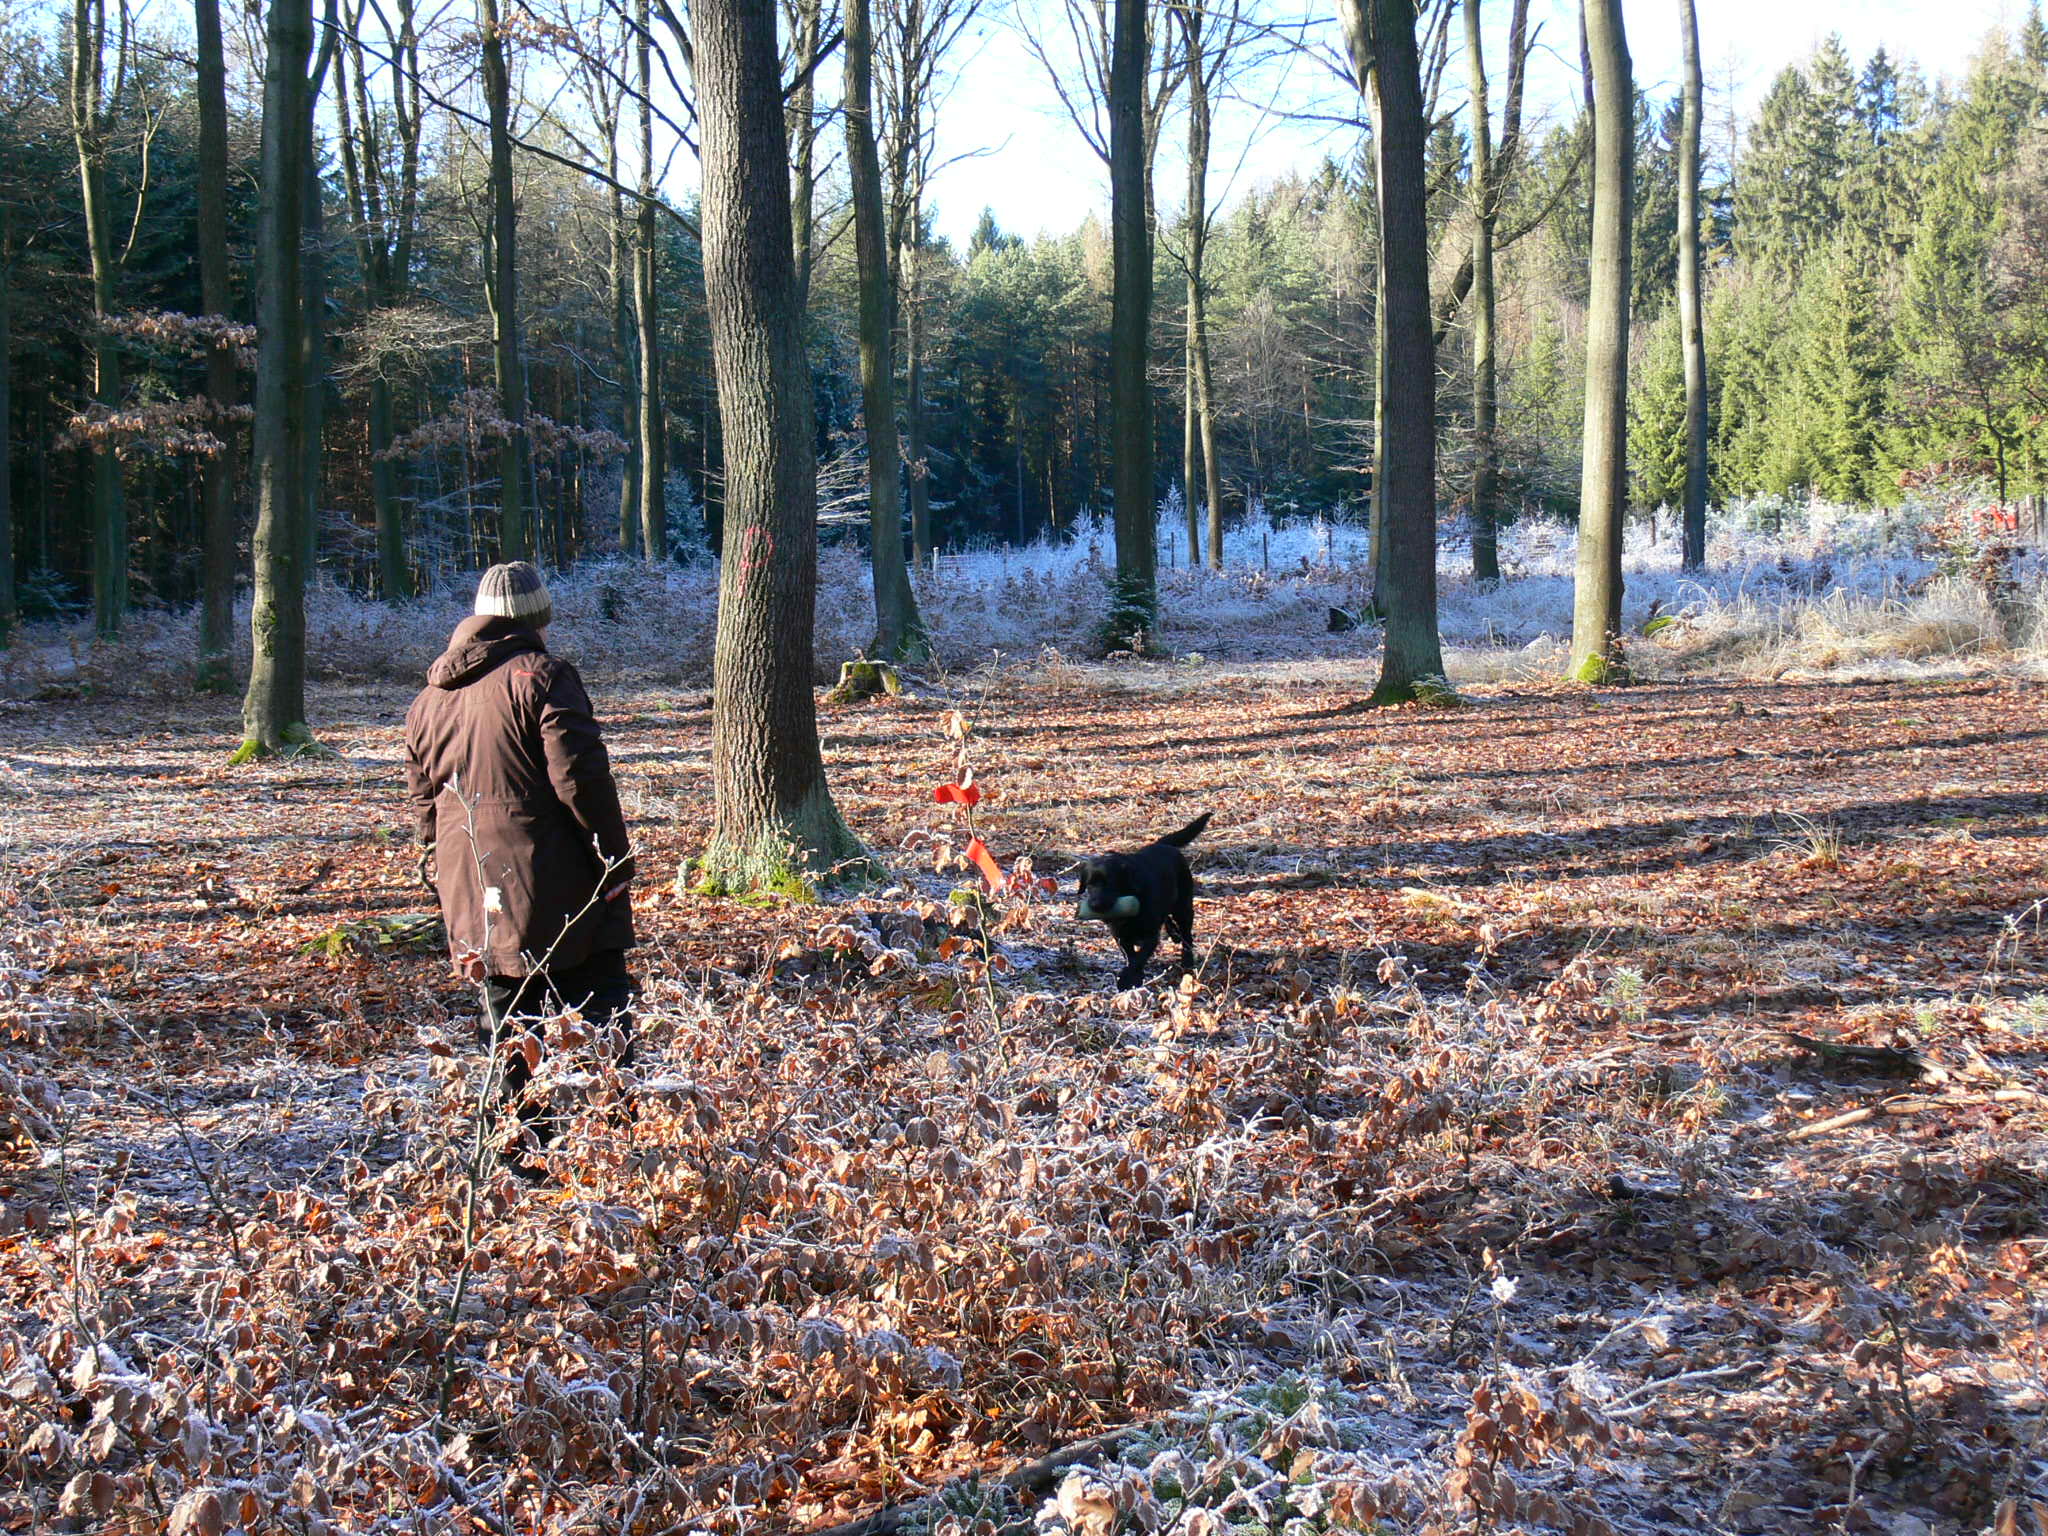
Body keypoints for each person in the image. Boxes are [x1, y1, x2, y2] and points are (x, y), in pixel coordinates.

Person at [404, 561, 637, 1173]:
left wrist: (443, 878)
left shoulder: (427, 700)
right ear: (538, 619)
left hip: (470, 884)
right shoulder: (544, 677)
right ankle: (616, 1151)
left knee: (509, 1021)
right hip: (555, 878)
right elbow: (581, 778)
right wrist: (614, 859)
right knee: (602, 1007)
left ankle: (515, 1166)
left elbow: (425, 811)